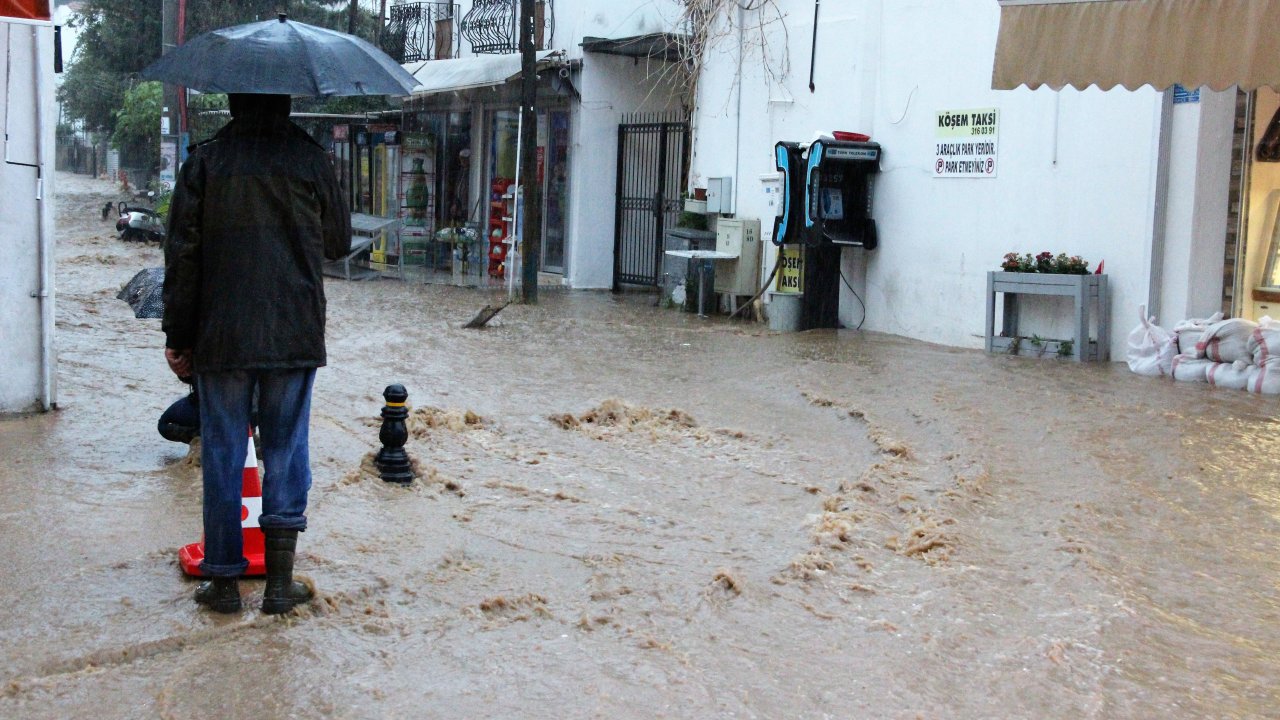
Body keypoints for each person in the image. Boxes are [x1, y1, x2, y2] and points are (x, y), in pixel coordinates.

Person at [162, 93, 351, 614]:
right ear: (287, 101)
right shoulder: (311, 159)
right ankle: (279, 585)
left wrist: (178, 335)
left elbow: (181, 256)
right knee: (286, 448)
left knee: (223, 451)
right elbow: (337, 242)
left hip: (221, 335)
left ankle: (224, 583)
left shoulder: (205, 162)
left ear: (232, 101)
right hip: (294, 330)